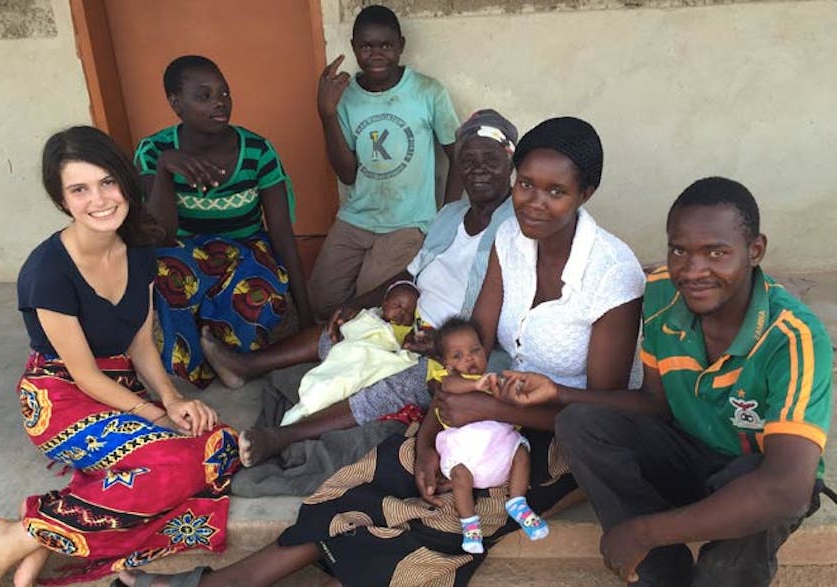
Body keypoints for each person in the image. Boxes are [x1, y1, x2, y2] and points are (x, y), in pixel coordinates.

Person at [116, 115, 646, 587]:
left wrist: (486, 410)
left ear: (587, 193)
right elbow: (474, 346)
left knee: (437, 517)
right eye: (526, 184)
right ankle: (217, 584)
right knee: (379, 472)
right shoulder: (512, 240)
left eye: (556, 191)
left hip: (563, 438)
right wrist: (436, 430)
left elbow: (599, 413)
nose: (534, 201)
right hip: (488, 404)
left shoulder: (609, 272)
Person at [497, 177, 833, 586]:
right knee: (579, 422)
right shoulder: (661, 293)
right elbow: (655, 404)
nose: (693, 271)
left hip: (757, 477)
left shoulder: (793, 338)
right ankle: (659, 569)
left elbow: (786, 489)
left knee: (723, 564)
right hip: (690, 451)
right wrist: (560, 393)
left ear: (755, 251)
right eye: (679, 250)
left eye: (716, 253)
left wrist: (644, 531)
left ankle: (694, 563)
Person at [0, 126, 240, 587]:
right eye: (79, 189)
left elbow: (141, 342)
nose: (99, 200)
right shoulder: (47, 272)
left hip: (120, 383)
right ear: (62, 201)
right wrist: (153, 413)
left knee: (218, 443)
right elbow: (83, 375)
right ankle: (26, 536)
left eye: (107, 182)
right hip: (61, 397)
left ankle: (28, 537)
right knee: (178, 463)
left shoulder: (139, 247)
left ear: (124, 181)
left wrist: (171, 400)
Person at [205, 109, 519, 473]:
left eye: (490, 160)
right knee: (344, 325)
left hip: (458, 342)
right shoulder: (452, 213)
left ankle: (282, 436)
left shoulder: (514, 225)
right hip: (411, 319)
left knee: (397, 388)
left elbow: (503, 312)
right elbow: (411, 271)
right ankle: (247, 365)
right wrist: (360, 301)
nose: (477, 169)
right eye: (468, 161)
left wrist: (440, 344)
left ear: (509, 160)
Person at [134, 54, 313, 388]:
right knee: (167, 273)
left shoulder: (257, 150)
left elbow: (282, 234)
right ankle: (193, 362)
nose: (220, 102)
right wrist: (164, 169)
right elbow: (161, 234)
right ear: (176, 103)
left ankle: (230, 356)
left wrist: (305, 315)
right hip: (184, 250)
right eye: (204, 96)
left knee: (263, 286)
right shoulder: (154, 150)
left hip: (246, 249)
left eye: (225, 93)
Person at [309, 4, 464, 320]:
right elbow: (347, 174)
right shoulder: (345, 96)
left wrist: (445, 220)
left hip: (408, 223)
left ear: (401, 46)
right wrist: (326, 115)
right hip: (357, 217)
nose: (376, 54)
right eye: (366, 46)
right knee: (321, 303)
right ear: (354, 48)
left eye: (386, 46)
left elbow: (458, 155)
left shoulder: (426, 91)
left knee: (372, 305)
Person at [429, 318, 549, 554]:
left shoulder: (494, 379)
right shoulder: (449, 380)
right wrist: (475, 386)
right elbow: (450, 385)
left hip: (499, 449)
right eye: (458, 355)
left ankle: (517, 502)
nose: (469, 358)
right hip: (465, 454)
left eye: (475, 351)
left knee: (522, 453)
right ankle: (470, 525)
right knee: (460, 477)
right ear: (447, 363)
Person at [278, 281, 422, 427]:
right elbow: (351, 331)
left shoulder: (406, 332)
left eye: (409, 313)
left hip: (370, 363)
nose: (401, 314)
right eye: (398, 306)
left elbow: (403, 354)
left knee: (346, 386)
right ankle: (303, 412)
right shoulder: (369, 316)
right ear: (384, 303)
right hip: (351, 356)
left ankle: (302, 416)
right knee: (331, 384)